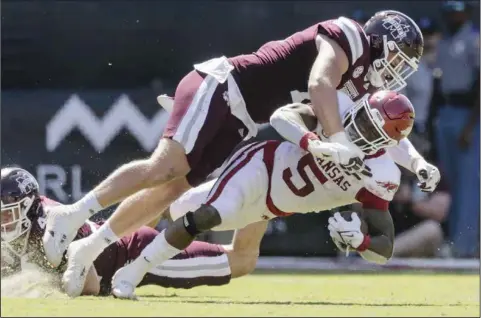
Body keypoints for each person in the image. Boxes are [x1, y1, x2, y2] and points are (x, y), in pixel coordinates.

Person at [42, 11, 425, 272]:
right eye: (399, 57)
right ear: (381, 39)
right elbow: (319, 83)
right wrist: (337, 139)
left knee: (171, 190)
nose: (397, 69)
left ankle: (89, 248)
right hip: (224, 86)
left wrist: (418, 163)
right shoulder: (350, 37)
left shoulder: (363, 85)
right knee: (165, 166)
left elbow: (384, 133)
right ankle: (72, 213)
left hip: (245, 119)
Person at [60, 90, 432, 299]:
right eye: (362, 117)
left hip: (271, 206)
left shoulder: (381, 174)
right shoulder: (338, 111)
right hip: (261, 166)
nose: (360, 127)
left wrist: (360, 239)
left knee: (179, 207)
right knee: (206, 216)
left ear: (389, 143)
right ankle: (128, 274)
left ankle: (92, 241)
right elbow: (283, 115)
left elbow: (383, 248)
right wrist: (317, 144)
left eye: (372, 128)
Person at [0, 167, 236, 296]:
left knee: (242, 258)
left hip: (131, 254)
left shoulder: (51, 227)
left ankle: (255, 191)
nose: (3, 221)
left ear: (28, 206)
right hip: (108, 239)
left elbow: (90, 285)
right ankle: (171, 204)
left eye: (6, 213)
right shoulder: (29, 221)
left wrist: (38, 285)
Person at [434, 1, 480, 258]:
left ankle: (465, 245)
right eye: (449, 10)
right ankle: (453, 240)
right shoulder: (444, 41)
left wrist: (471, 126)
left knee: (468, 183)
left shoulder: (474, 40)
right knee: (449, 181)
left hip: (468, 115)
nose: (453, 14)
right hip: (447, 112)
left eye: (457, 10)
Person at [390, 174, 451, 257]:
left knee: (432, 229)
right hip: (389, 235)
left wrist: (411, 199)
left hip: (418, 240)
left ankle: (384, 254)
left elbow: (440, 213)